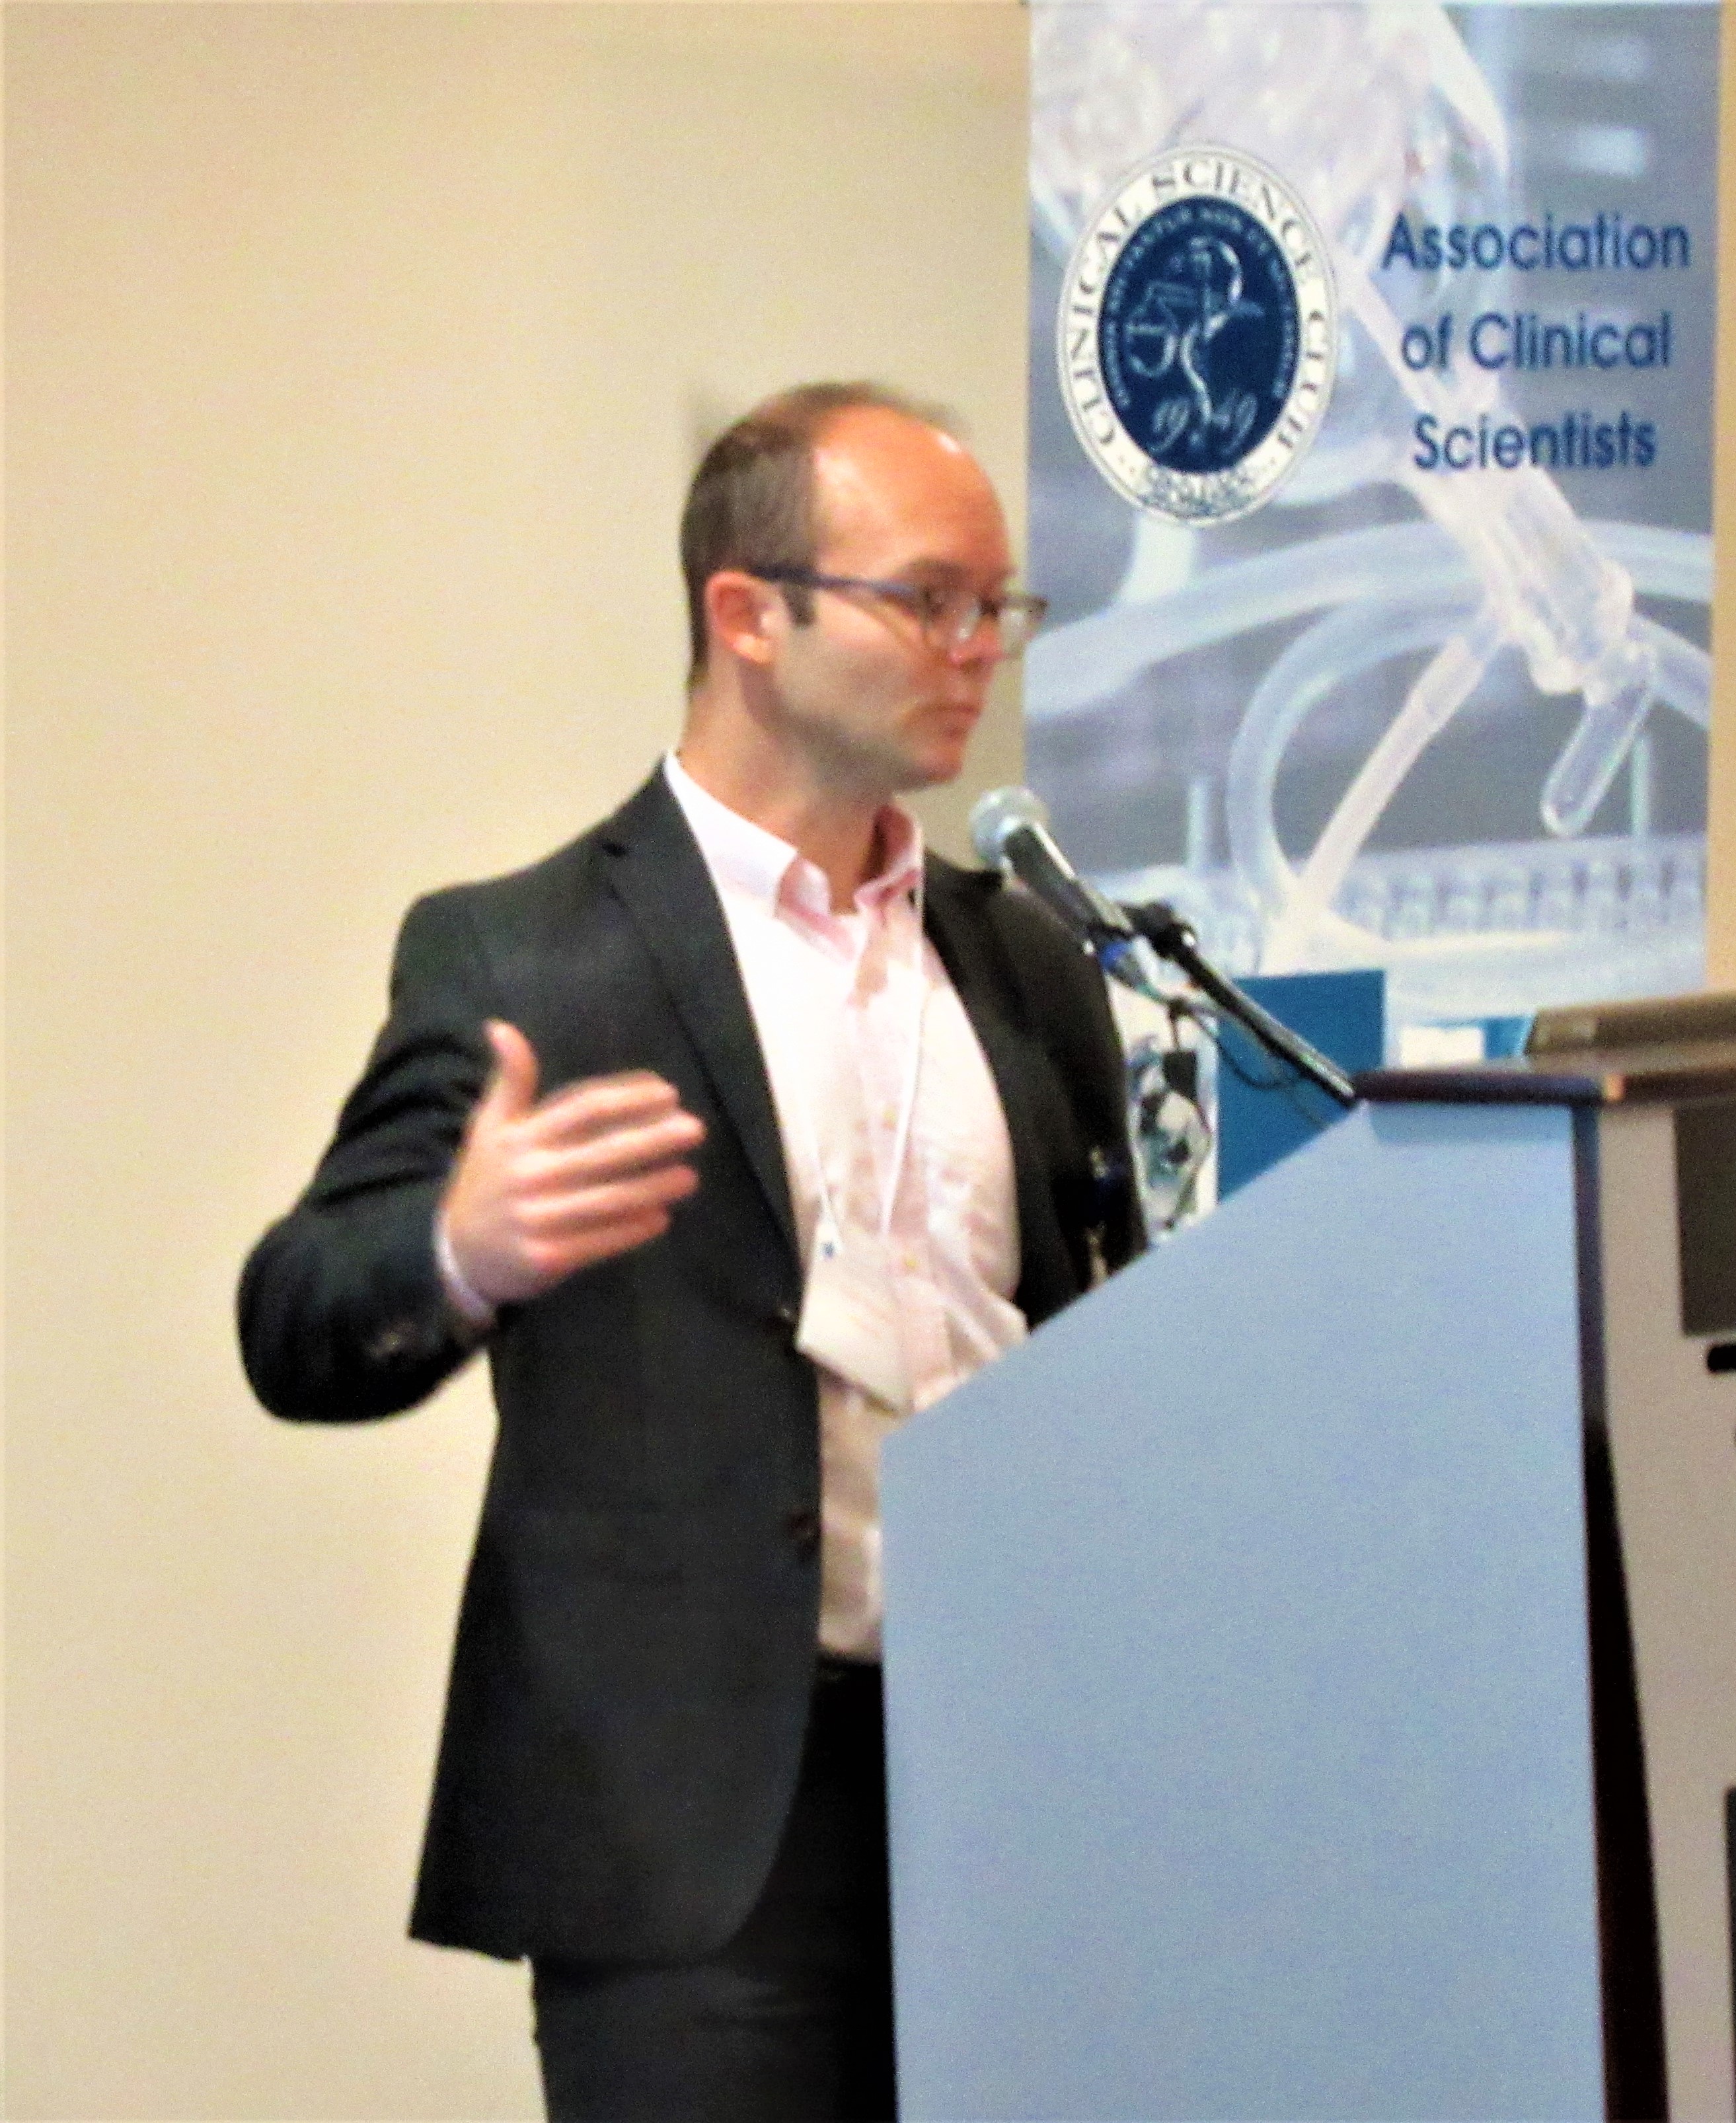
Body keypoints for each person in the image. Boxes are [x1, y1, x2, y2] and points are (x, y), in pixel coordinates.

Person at [239, 382, 1143, 2123]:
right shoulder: (528, 958)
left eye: (998, 606)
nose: (978, 649)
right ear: (748, 614)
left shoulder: (1025, 963)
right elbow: (293, 1320)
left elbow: (1098, 1327)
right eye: (928, 599)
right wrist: (456, 1248)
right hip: (693, 1824)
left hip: (1012, 1777)